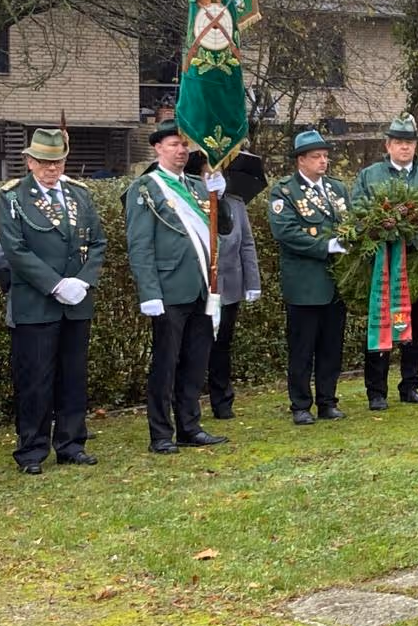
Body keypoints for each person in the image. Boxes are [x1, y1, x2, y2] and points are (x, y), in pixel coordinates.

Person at [0, 128, 106, 474]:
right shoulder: (12, 197)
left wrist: (83, 281)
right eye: (44, 162)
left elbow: (97, 242)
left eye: (57, 162)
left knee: (73, 378)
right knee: (35, 381)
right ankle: (32, 450)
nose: (51, 168)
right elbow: (15, 250)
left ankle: (71, 444)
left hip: (76, 303)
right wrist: (55, 285)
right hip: (36, 303)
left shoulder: (79, 194)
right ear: (29, 162)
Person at [124, 120, 230, 454]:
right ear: (158, 148)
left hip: (202, 287)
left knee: (196, 362)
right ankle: (160, 433)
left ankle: (190, 426)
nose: (181, 151)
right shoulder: (146, 188)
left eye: (185, 145)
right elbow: (140, 245)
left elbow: (223, 227)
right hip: (168, 290)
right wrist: (149, 293)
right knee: (166, 365)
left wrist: (220, 196)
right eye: (174, 144)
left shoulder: (199, 186)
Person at [351, 114, 418, 407]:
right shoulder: (370, 176)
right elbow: (356, 216)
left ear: (416, 145)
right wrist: (378, 228)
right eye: (399, 142)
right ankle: (377, 391)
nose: (404, 147)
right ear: (387, 145)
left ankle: (410, 386)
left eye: (410, 142)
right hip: (383, 265)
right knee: (381, 325)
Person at [268, 129, 352, 424]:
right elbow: (285, 232)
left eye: (325, 156)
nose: (323, 161)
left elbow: (350, 222)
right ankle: (301, 405)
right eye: (316, 156)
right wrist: (325, 246)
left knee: (331, 347)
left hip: (335, 281)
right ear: (301, 160)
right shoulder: (285, 192)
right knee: (302, 349)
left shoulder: (336, 189)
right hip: (305, 283)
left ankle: (328, 401)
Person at [207, 182, 262, 420]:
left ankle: (222, 401)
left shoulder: (235, 203)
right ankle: (184, 404)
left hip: (229, 284)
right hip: (200, 284)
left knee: (222, 345)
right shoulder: (188, 198)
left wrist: (252, 282)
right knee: (194, 347)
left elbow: (246, 244)